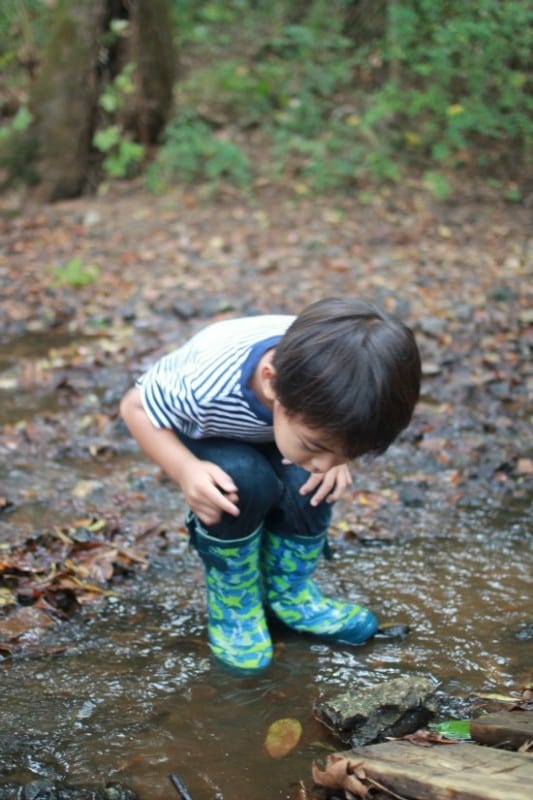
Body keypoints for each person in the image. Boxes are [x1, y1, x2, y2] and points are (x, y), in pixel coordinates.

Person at [120, 297, 421, 673]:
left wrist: (331, 458)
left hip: (278, 427)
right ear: (271, 382)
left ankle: (289, 592)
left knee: (311, 481)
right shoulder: (206, 382)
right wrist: (185, 470)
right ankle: (235, 601)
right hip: (210, 430)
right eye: (319, 447)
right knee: (243, 481)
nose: (330, 462)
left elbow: (325, 449)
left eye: (348, 453)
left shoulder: (332, 385)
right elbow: (135, 406)